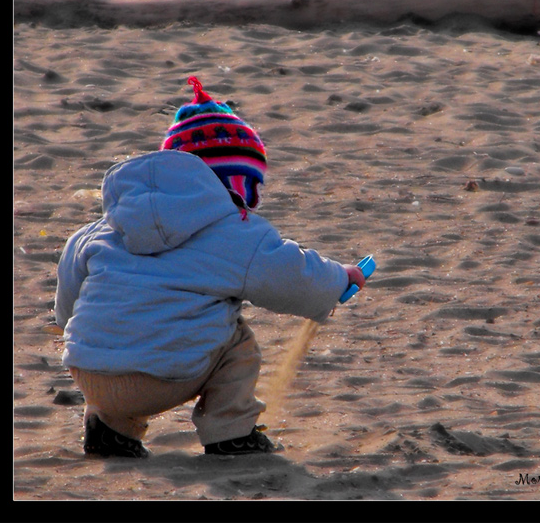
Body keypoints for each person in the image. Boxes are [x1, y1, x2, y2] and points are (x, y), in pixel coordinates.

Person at [54, 76, 368, 459]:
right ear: (237, 182)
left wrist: (86, 335)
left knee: (114, 323)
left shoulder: (103, 228)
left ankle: (109, 429)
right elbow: (290, 276)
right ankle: (230, 431)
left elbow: (69, 300)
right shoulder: (235, 232)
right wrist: (337, 279)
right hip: (164, 377)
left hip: (89, 372)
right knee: (236, 340)